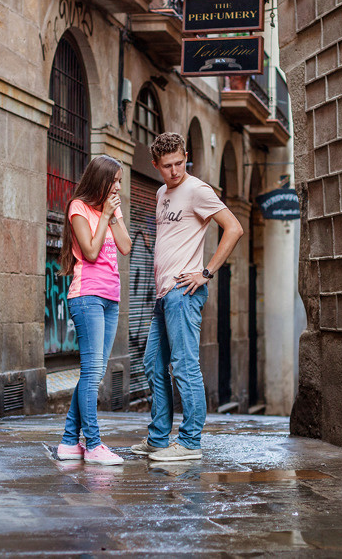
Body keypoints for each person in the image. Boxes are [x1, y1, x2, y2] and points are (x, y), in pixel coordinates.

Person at [131, 133, 243, 461]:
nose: (175, 170)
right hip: (164, 294)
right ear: (156, 165)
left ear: (186, 157)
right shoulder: (160, 193)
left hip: (184, 292)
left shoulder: (197, 190)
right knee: (154, 363)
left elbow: (233, 228)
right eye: (167, 166)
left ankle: (191, 442)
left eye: (180, 162)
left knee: (184, 365)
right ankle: (158, 438)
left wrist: (206, 272)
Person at [55, 155, 131, 465]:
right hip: (87, 297)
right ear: (101, 181)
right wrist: (105, 216)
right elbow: (89, 251)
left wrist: (113, 216)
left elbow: (125, 246)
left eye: (121, 182)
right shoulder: (78, 208)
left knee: (94, 372)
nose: (119, 187)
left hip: (111, 299)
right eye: (115, 181)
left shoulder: (110, 211)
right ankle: (94, 444)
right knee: (91, 373)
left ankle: (69, 442)